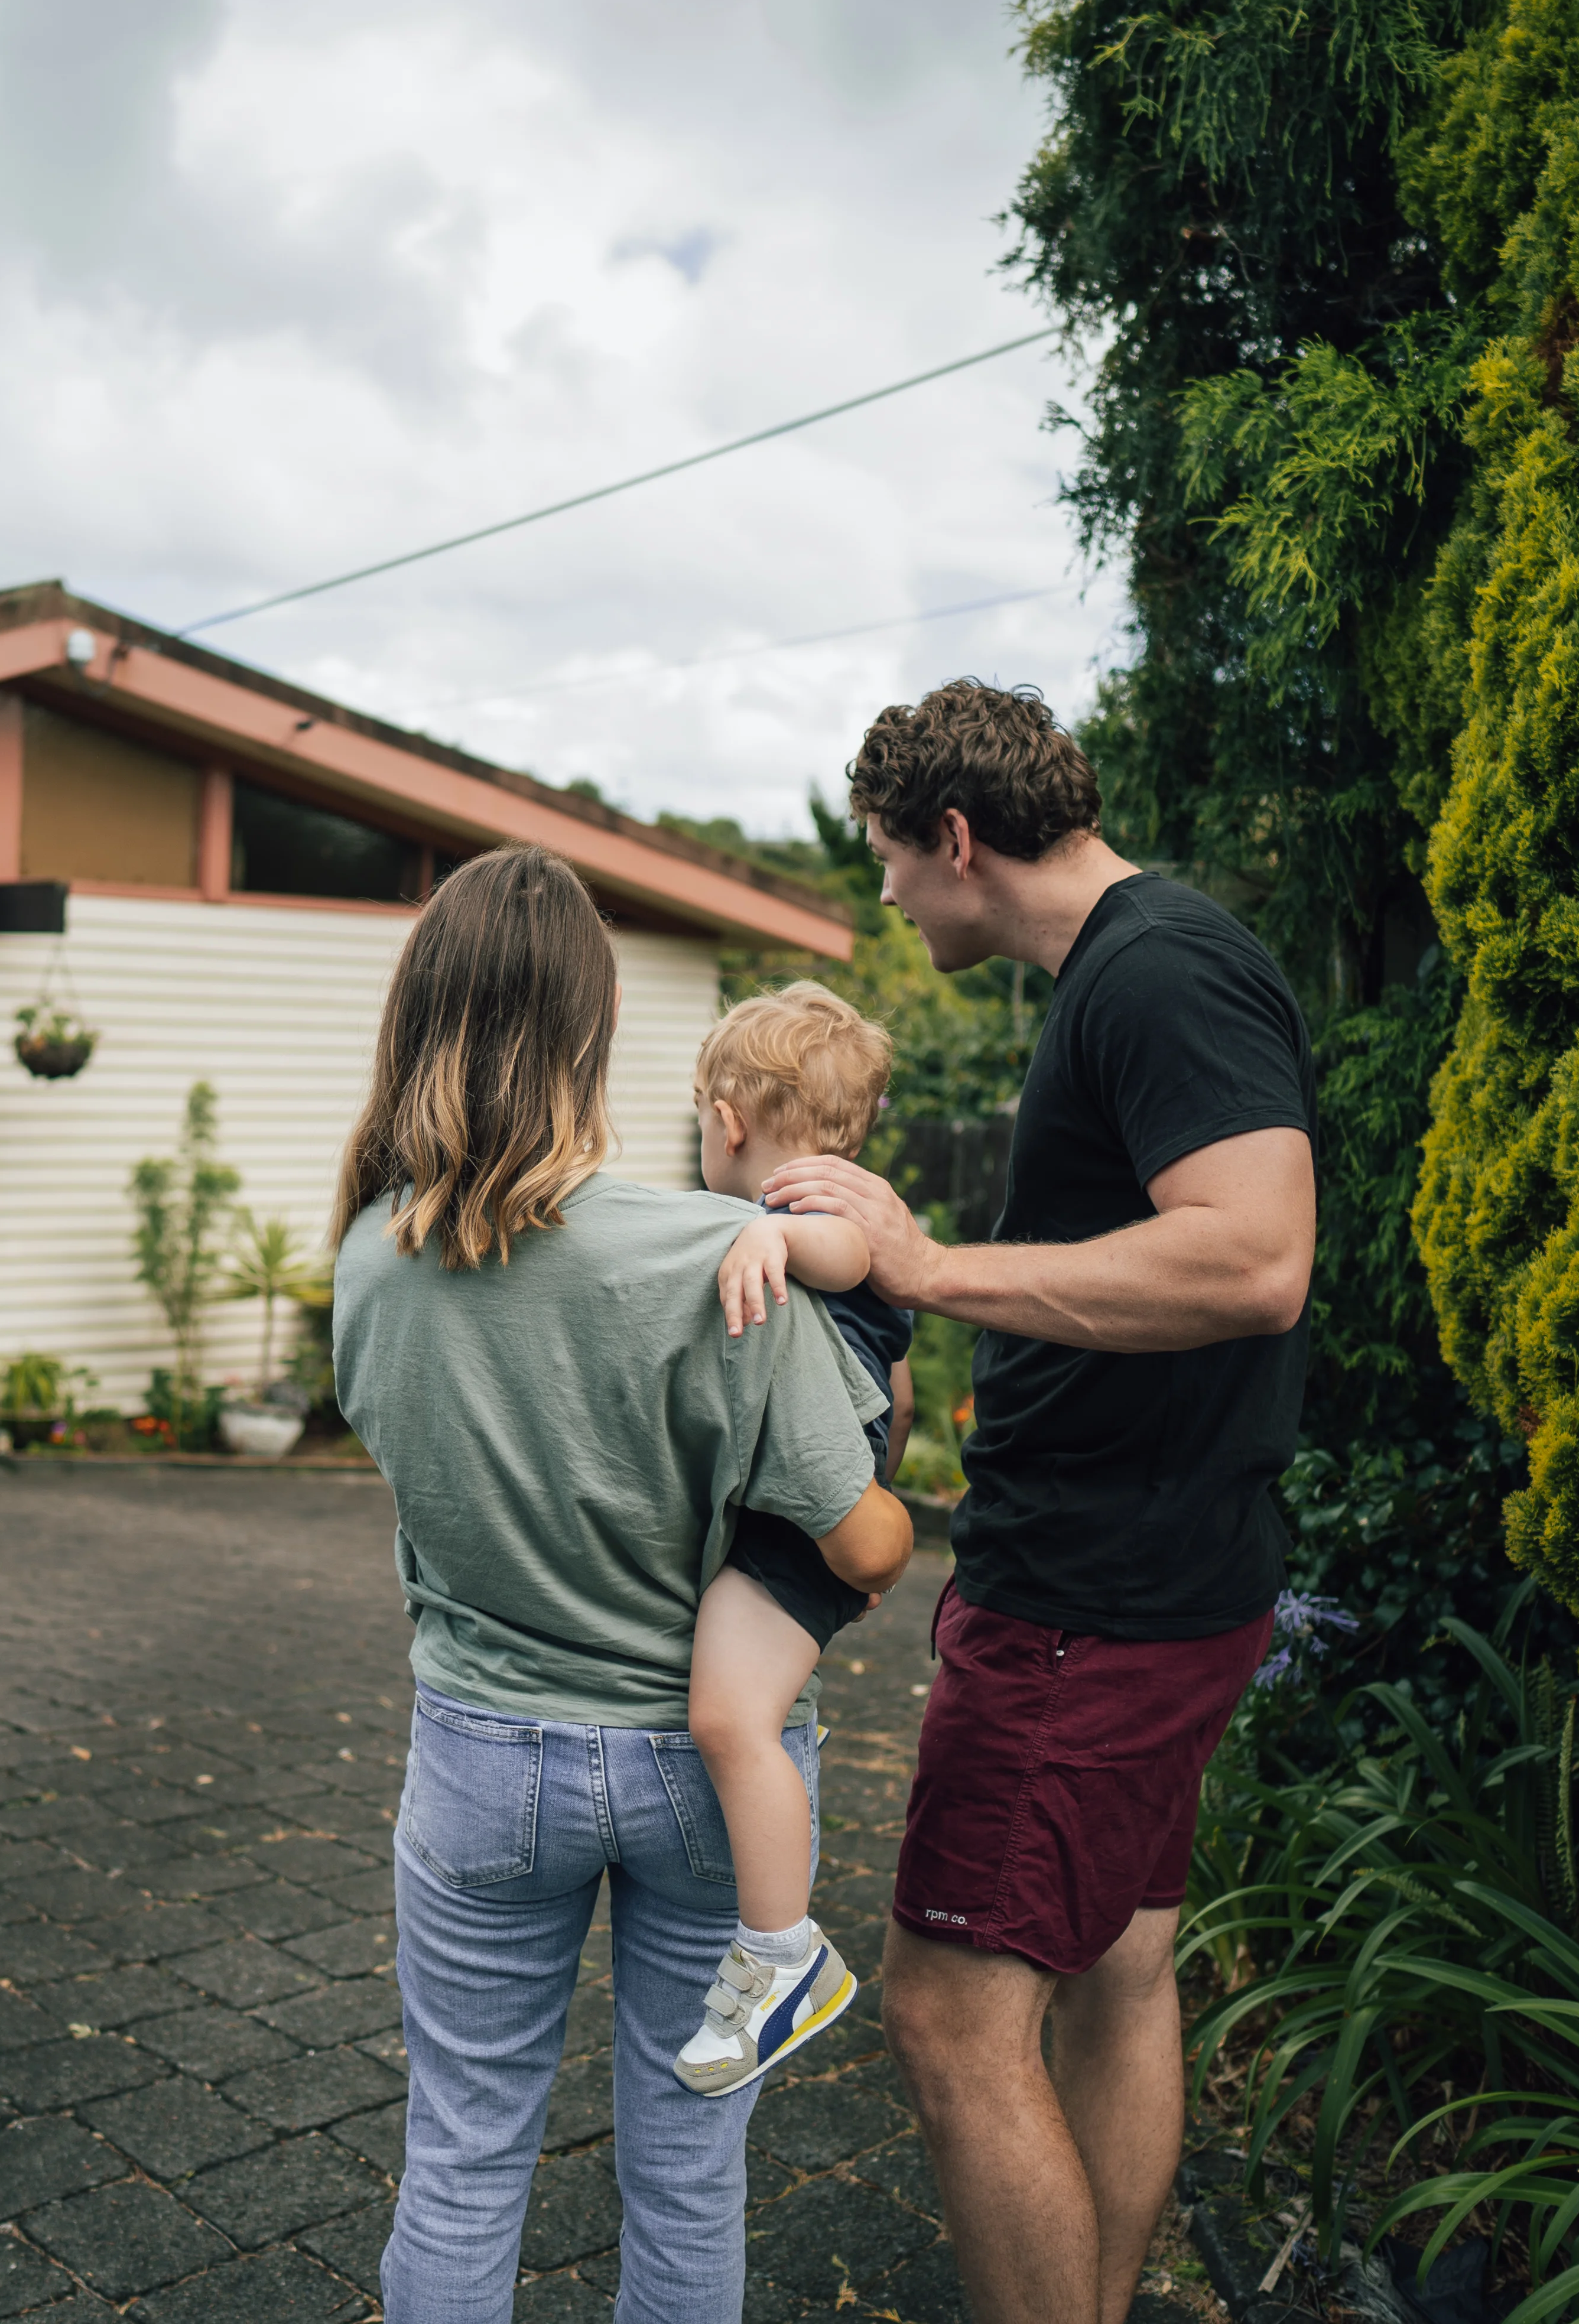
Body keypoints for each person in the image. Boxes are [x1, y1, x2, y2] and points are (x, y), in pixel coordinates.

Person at [763, 680, 1318, 2324]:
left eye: (885, 859)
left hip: (1092, 1600)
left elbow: (1255, 1255)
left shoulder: (1156, 971)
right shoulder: (1137, 967)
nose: (879, 896)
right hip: (1163, 1579)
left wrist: (931, 1269)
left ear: (955, 838)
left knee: (944, 2013)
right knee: (1124, 1966)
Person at [333, 844, 915, 2324]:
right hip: (702, 1775)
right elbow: (852, 1540)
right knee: (687, 2172)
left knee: (460, 2163)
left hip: (478, 1759)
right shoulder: (728, 1254)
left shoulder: (366, 1260)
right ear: (592, 1033)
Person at [672, 981, 917, 2095]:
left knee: (730, 1717)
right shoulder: (793, 1215)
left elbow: (854, 1260)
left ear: (727, 1118)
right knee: (734, 1714)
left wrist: (771, 1231)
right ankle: (775, 1949)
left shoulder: (823, 1218)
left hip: (794, 1535)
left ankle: (784, 1956)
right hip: (797, 1522)